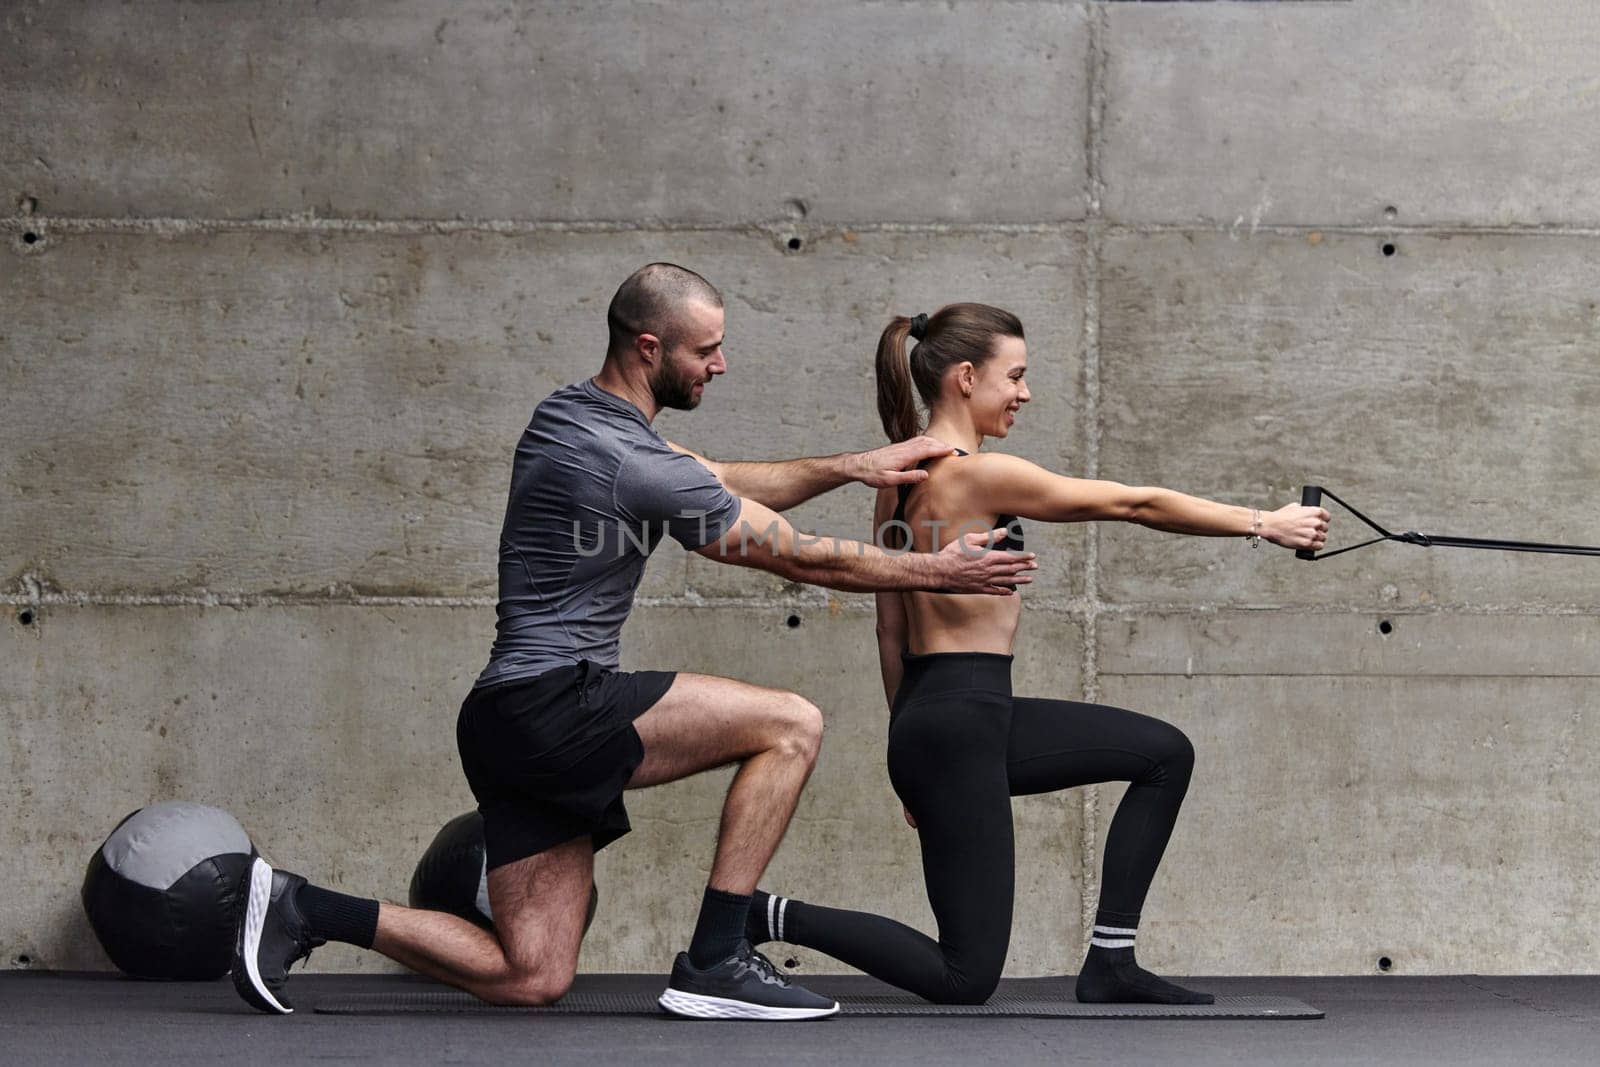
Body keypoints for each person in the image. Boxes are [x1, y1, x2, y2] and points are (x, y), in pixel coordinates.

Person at [228, 267, 1037, 1021]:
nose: (719, 364)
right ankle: (720, 952)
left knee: (531, 973)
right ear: (649, 347)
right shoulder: (631, 459)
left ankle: (304, 906)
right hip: (559, 703)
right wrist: (931, 568)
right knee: (791, 723)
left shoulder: (571, 415)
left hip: (503, 720)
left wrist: (856, 465)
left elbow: (715, 474)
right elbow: (791, 552)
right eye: (706, 349)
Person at [745, 303, 1329, 1005]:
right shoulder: (973, 476)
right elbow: (1132, 504)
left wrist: (910, 753)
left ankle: (1111, 960)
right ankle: (758, 913)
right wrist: (1265, 522)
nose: (1024, 393)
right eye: (1014, 376)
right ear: (965, 377)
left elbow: (888, 633)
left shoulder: (899, 482)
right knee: (966, 975)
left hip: (945, 720)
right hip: (962, 723)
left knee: (1163, 752)